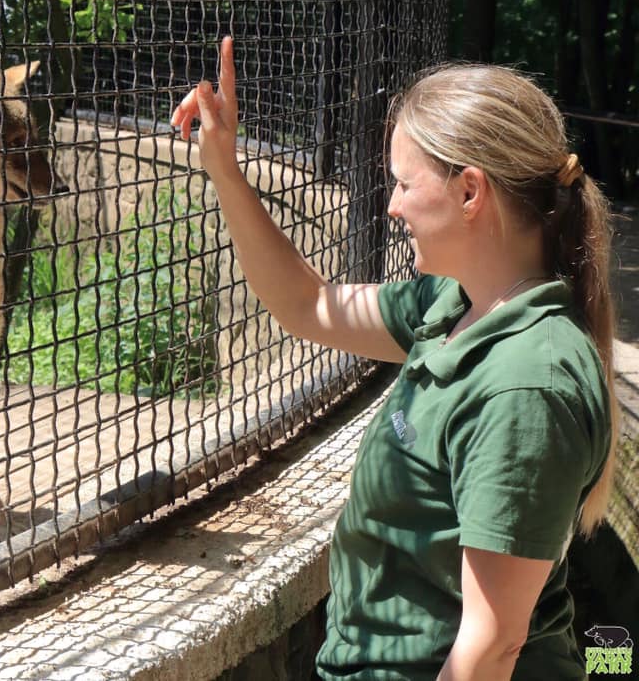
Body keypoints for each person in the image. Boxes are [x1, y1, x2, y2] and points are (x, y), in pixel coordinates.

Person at [171, 36, 617, 680]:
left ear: (470, 192)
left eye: (405, 183)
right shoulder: (452, 305)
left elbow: (489, 648)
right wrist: (223, 166)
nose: (392, 206)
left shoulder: (526, 386)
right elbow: (308, 304)